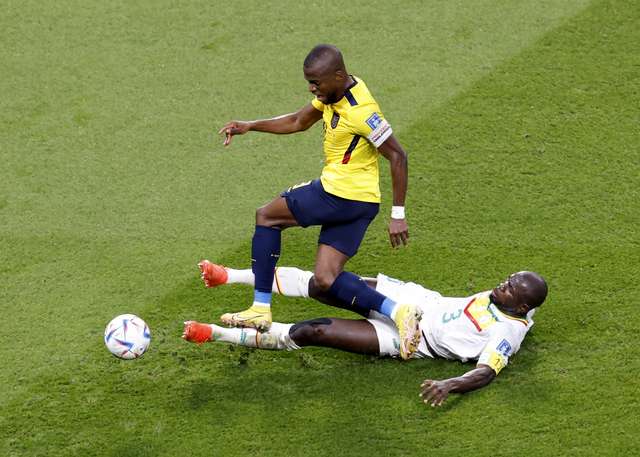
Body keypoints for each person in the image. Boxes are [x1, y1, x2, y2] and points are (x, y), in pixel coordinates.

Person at [215, 44, 419, 358]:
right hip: (362, 203)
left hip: (338, 194)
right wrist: (251, 126)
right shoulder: (333, 94)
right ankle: (399, 311)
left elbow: (398, 155)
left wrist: (399, 215)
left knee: (267, 216)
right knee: (325, 278)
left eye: (316, 82)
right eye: (309, 82)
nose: (312, 88)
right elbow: (298, 121)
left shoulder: (362, 112)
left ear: (337, 75)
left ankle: (260, 307)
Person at [183, 262, 548, 406]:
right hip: (413, 301)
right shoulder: (517, 303)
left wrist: (449, 384)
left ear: (520, 307)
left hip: (412, 340)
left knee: (313, 331)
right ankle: (228, 275)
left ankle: (214, 334)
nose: (502, 285)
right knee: (327, 283)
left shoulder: (507, 330)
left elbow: (486, 372)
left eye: (510, 289)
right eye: (507, 279)